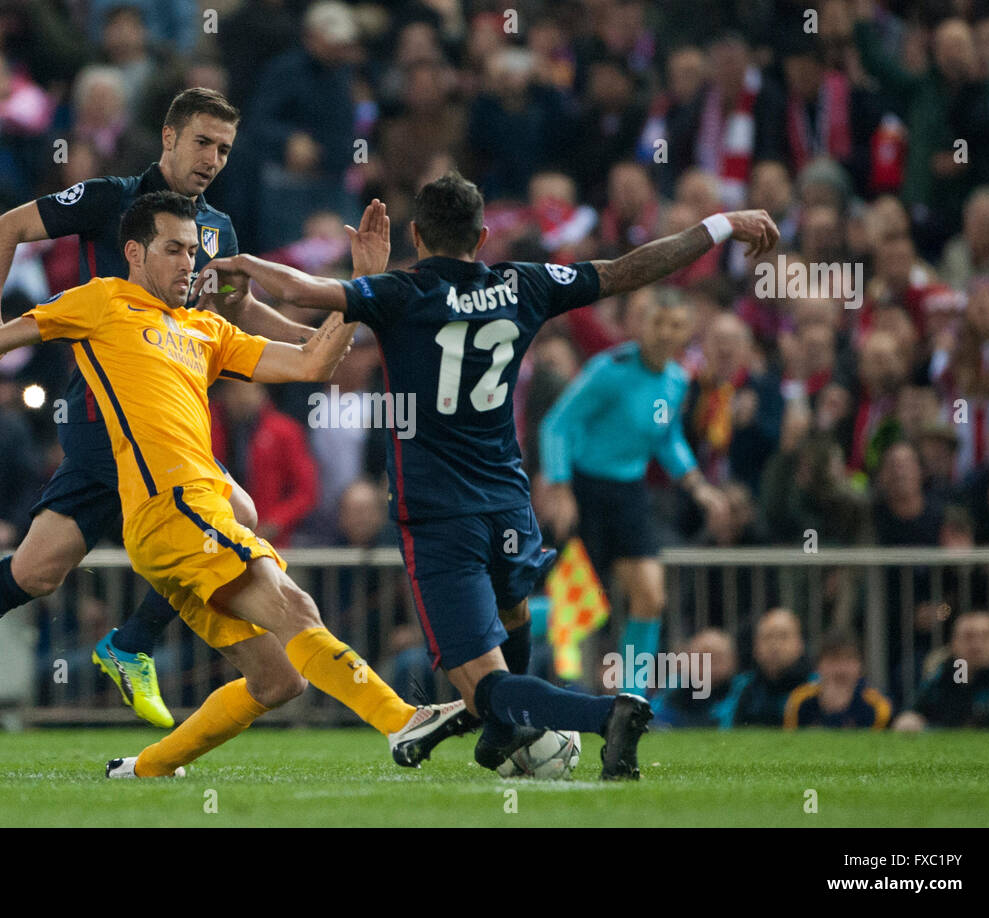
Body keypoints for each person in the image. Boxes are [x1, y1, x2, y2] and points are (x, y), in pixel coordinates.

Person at [205, 172, 780, 778]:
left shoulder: (401, 292)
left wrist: (246, 264)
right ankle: (506, 733)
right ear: (482, 236)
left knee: (480, 684)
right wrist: (719, 225)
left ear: (417, 235)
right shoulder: (523, 284)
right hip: (509, 502)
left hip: (437, 515)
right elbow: (628, 269)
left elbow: (304, 291)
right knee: (512, 619)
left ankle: (606, 712)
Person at [0, 191, 468, 777]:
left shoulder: (207, 329)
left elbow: (312, 362)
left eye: (193, 250)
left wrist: (362, 287)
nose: (188, 262)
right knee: (294, 605)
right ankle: (401, 721)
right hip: (175, 508)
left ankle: (145, 769)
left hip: (181, 526)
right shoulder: (102, 302)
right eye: (173, 249)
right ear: (134, 253)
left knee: (276, 678)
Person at [0, 88, 338, 744]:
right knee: (235, 517)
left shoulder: (217, 229)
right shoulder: (111, 199)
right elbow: (5, 229)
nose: (213, 159)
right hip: (102, 411)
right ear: (168, 137)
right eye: (202, 142)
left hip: (165, 415)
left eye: (224, 149)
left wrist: (315, 341)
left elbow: (237, 310)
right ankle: (133, 644)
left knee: (35, 570)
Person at [537, 287, 730, 694]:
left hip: (630, 493)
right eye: (657, 322)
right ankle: (507, 630)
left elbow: (666, 438)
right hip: (586, 491)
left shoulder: (678, 380)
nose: (664, 333)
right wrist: (561, 488)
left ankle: (631, 699)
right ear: (642, 326)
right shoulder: (610, 370)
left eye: (675, 326)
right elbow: (556, 424)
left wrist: (698, 486)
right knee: (577, 608)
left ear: (687, 333)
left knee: (650, 597)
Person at [783, 632, 892, 729]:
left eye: (849, 659)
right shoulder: (800, 700)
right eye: (833, 660)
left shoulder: (877, 706)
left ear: (861, 666)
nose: (841, 669)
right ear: (818, 666)